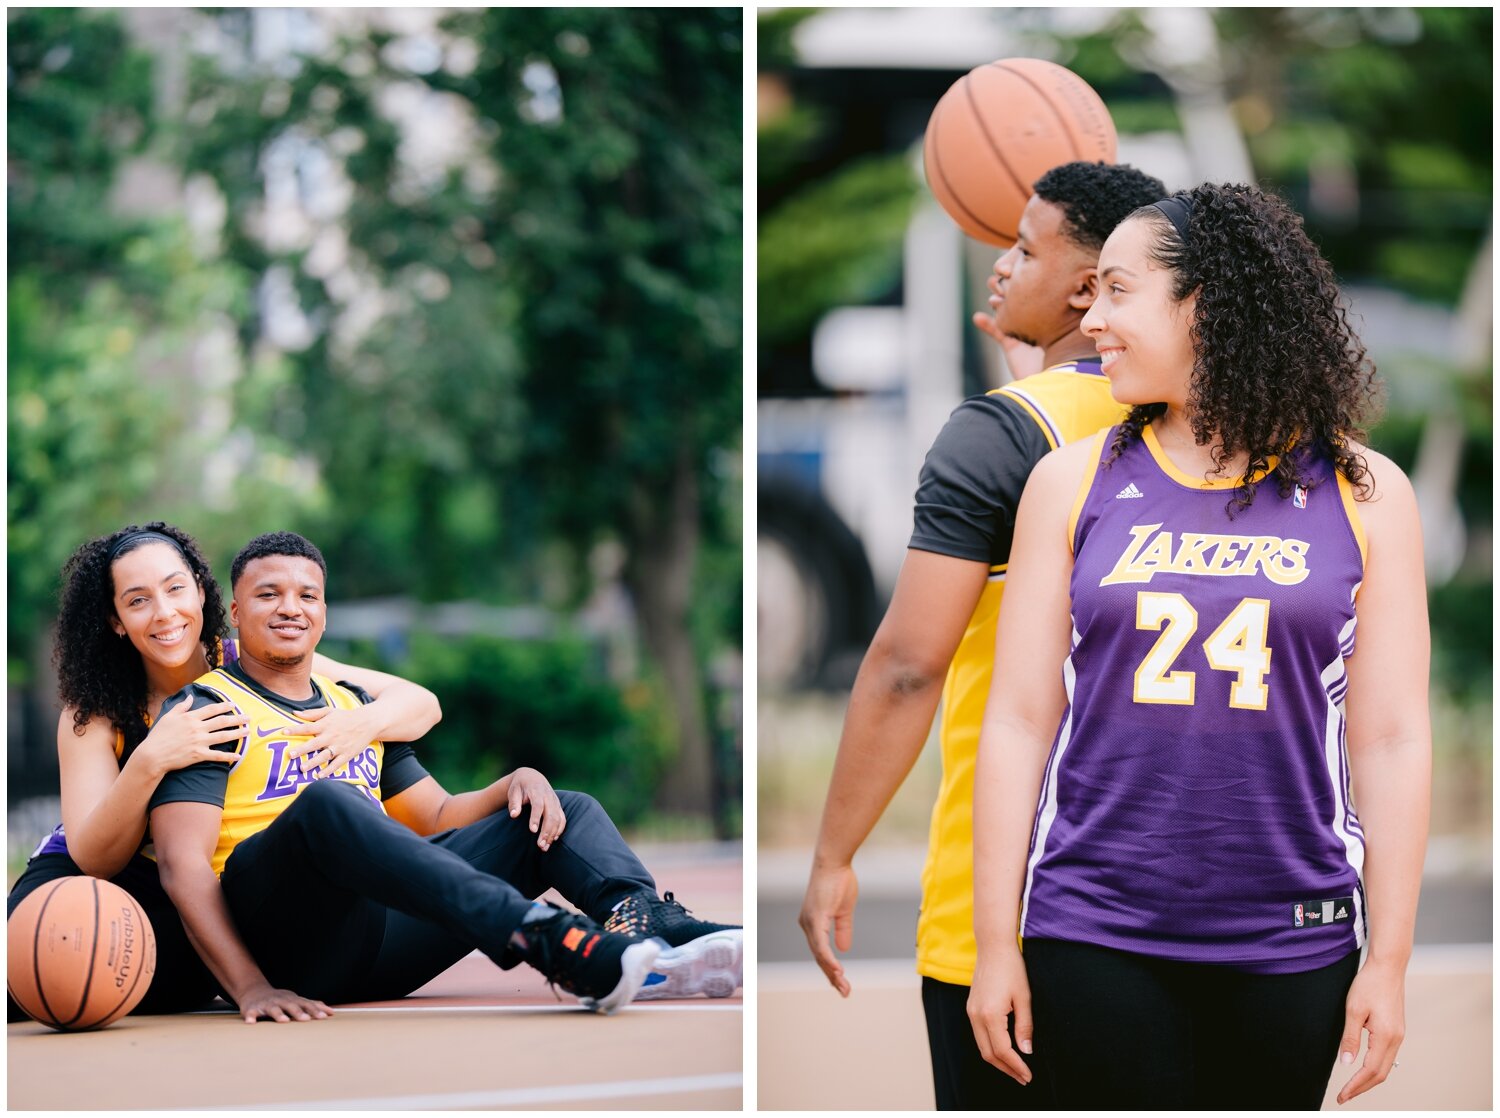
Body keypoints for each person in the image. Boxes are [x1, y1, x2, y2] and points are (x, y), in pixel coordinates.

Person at [967, 183, 1430, 1108]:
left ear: (1204, 304)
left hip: (1292, 938)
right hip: (1095, 927)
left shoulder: (1366, 491)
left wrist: (1388, 958)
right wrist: (992, 947)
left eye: (1118, 292)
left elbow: (1390, 739)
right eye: (1090, 291)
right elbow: (1018, 723)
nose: (1091, 317)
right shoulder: (1069, 482)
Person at [798, 161, 1167, 1108]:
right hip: (1170, 899)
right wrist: (1038, 379)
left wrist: (834, 854)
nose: (997, 266)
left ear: (1090, 288)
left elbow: (908, 667)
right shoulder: (1199, 427)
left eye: (1023, 247)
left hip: (1006, 896)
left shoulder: (1000, 437)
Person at [149, 531, 741, 1022]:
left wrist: (510, 784)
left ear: (323, 611)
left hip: (380, 940)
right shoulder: (207, 709)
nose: (290, 607)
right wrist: (249, 986)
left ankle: (649, 930)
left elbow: (433, 818)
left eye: (307, 595)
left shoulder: (357, 704)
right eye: (268, 594)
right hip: (282, 939)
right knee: (326, 804)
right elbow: (183, 866)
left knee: (556, 808)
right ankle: (542, 937)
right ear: (233, 612)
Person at [7, 522, 442, 1019]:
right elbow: (94, 857)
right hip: (84, 879)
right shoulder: (95, 712)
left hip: (177, 884)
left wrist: (358, 724)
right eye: (138, 600)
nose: (165, 613)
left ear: (199, 588)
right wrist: (151, 758)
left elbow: (421, 704)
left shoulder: (252, 660)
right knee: (37, 989)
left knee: (169, 989)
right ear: (116, 621)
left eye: (175, 589)